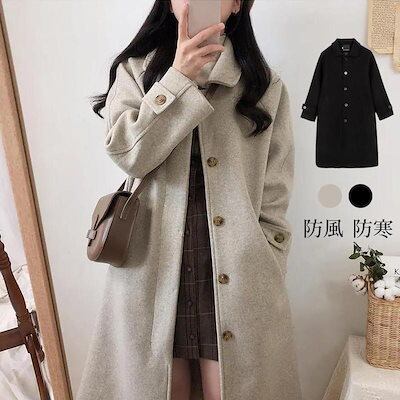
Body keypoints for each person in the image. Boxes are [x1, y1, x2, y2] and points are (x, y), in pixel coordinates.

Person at [77, 1, 302, 399]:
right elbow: (130, 155)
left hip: (239, 272)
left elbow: (275, 192)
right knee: (160, 389)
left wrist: (269, 256)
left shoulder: (263, 86)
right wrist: (177, 80)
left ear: (236, 4)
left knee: (235, 389)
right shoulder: (136, 72)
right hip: (153, 268)